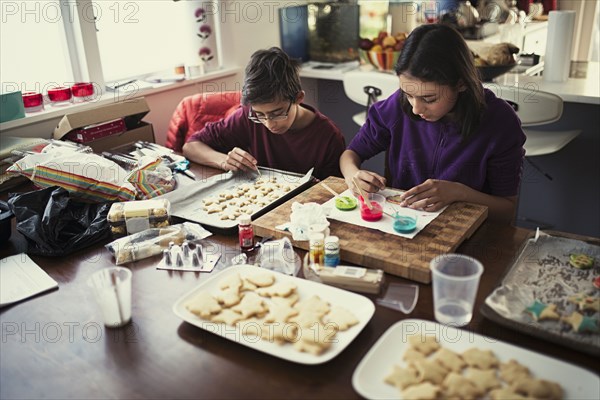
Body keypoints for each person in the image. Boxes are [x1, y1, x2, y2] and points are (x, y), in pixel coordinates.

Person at [340, 23, 525, 223]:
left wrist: (459, 192)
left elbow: (506, 209)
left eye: (429, 99)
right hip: (403, 223)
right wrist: (353, 175)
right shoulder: (396, 107)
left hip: (465, 231)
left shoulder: (500, 123)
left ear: (461, 83)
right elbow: (350, 155)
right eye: (408, 94)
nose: (415, 109)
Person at [183, 47, 346, 180]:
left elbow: (335, 193)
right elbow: (191, 146)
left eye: (277, 113)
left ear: (298, 98)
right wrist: (224, 161)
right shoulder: (247, 117)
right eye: (259, 114)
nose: (269, 123)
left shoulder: (328, 136)